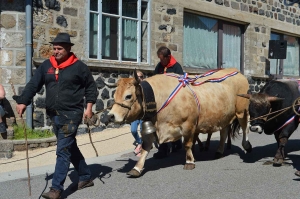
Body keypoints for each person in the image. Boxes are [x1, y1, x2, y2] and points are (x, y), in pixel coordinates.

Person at [13, 33, 98, 199]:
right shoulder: (47, 66)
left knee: (62, 150)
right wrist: (23, 101)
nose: (55, 51)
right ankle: (86, 176)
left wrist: (89, 108)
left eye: (59, 48)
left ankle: (56, 189)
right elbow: (33, 84)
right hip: (54, 114)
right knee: (68, 146)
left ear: (68, 49)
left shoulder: (79, 67)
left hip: (72, 113)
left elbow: (91, 88)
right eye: (54, 48)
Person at [153, 46, 184, 159]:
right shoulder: (159, 66)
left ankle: (177, 142)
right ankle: (163, 149)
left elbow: (181, 85)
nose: (160, 61)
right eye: (159, 59)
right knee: (162, 124)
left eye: (162, 59)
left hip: (173, 100)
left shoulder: (176, 67)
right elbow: (154, 79)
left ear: (168, 57)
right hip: (161, 101)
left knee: (173, 123)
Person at [131, 70, 144, 157]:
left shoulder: (145, 87)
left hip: (143, 113)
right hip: (135, 114)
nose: (139, 79)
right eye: (137, 77)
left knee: (143, 131)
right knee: (133, 130)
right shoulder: (131, 88)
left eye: (141, 77)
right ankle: (140, 142)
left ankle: (141, 146)